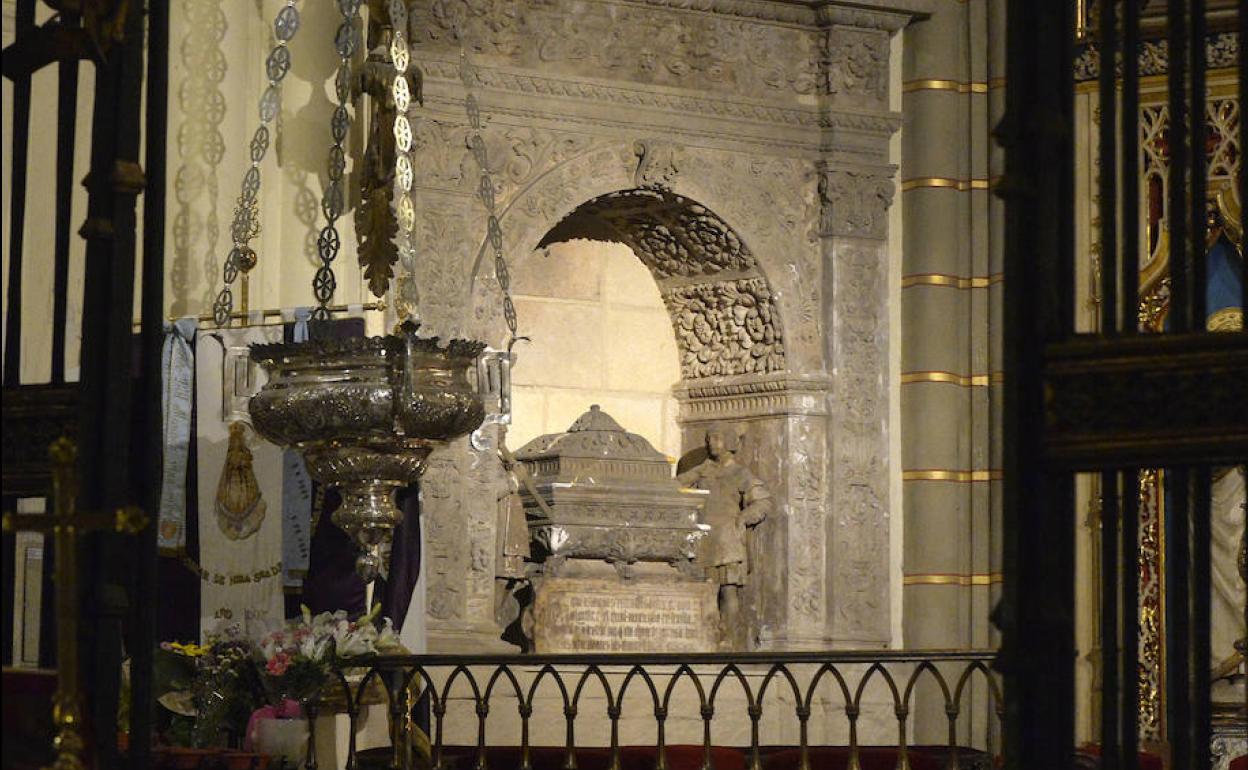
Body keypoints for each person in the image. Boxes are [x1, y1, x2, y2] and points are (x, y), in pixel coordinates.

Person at [677, 428, 771, 648]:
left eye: (717, 438)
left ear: (729, 441)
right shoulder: (703, 470)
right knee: (706, 589)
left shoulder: (740, 473)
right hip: (704, 538)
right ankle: (706, 635)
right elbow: (678, 484)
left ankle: (730, 639)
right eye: (709, 439)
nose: (712, 443)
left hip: (728, 539)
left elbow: (763, 501)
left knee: (728, 591)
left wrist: (743, 518)